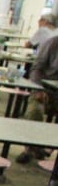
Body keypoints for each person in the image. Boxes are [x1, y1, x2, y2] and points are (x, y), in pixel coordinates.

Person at [16, 34, 58, 163]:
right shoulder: (53, 43)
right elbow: (36, 68)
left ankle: (49, 148)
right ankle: (30, 148)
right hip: (45, 90)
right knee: (35, 111)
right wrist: (39, 89)